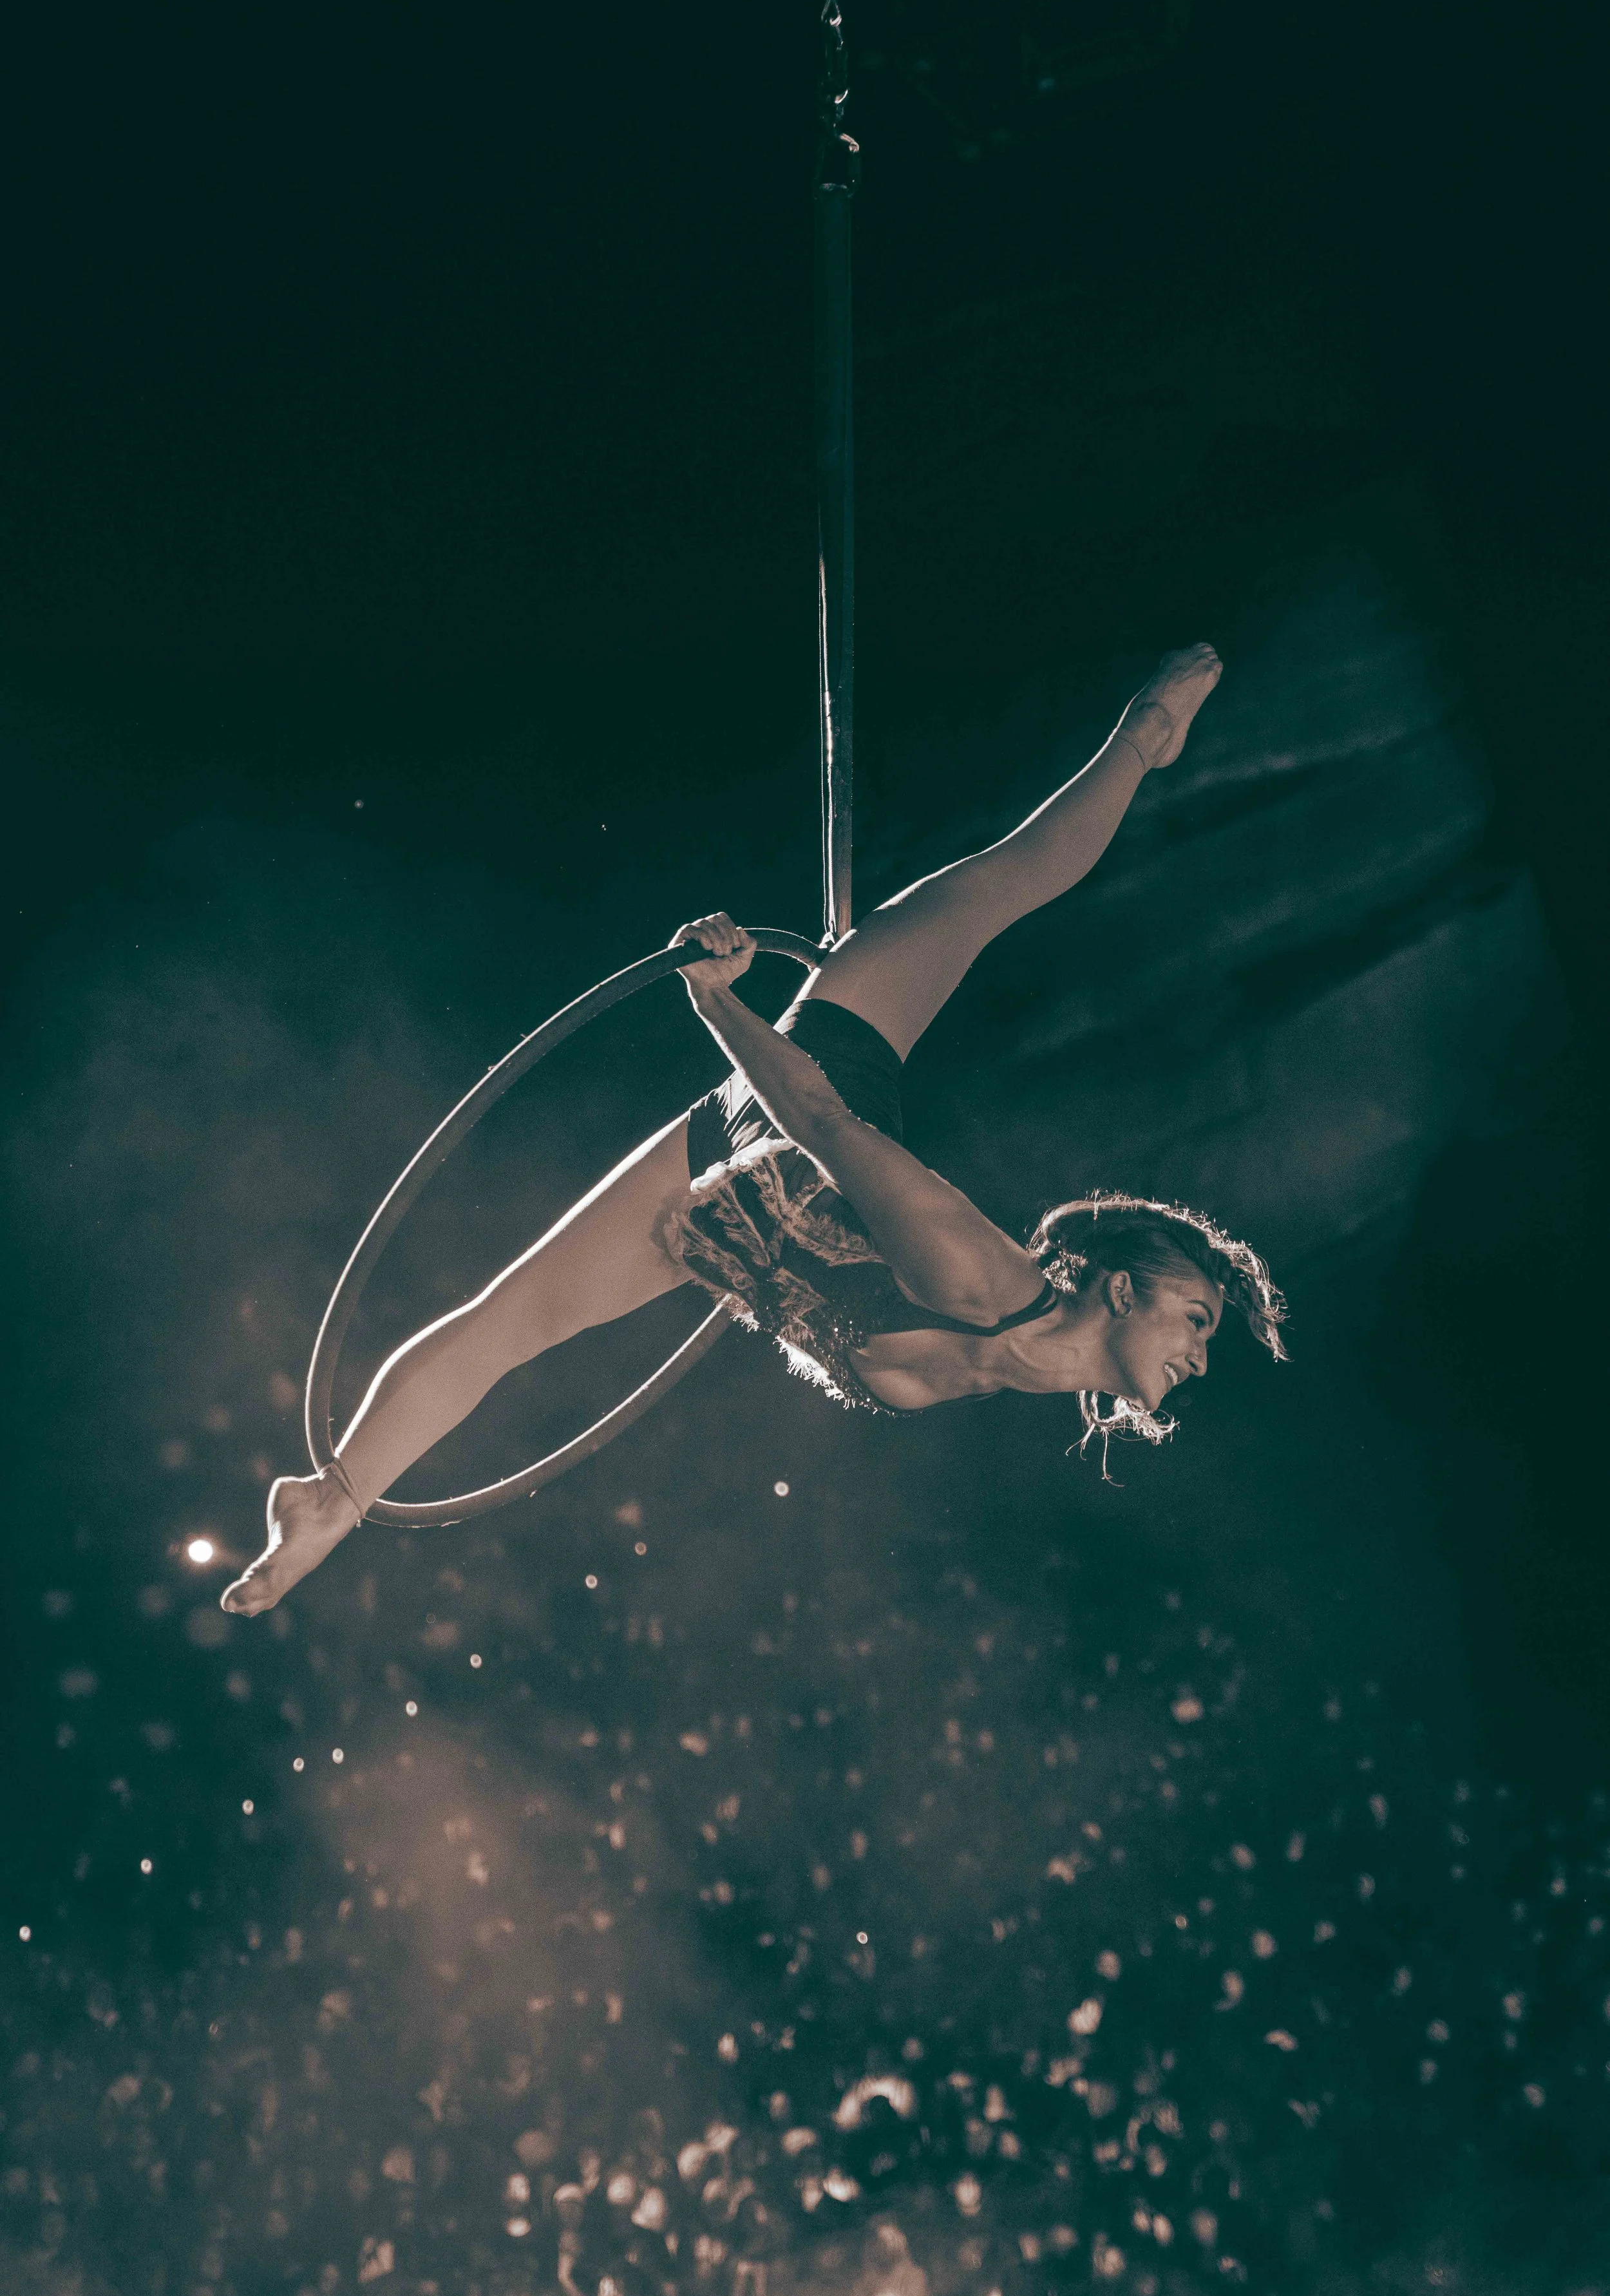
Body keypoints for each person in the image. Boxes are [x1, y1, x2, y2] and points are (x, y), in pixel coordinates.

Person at [223, 643, 1285, 1617]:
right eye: (1197, 1318)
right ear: (1121, 1288)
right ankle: (1142, 739)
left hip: (745, 1199)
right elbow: (818, 1112)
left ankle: (334, 1500)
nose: (1200, 1353)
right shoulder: (979, 1283)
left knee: (517, 1321)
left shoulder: (1022, 1359)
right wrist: (719, 1005)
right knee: (997, 888)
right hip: (811, 1093)